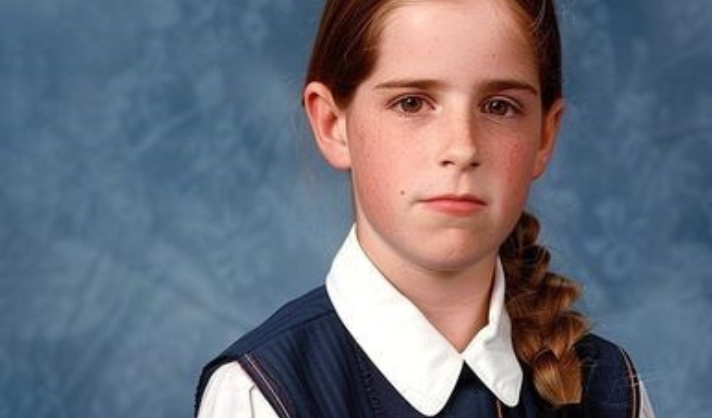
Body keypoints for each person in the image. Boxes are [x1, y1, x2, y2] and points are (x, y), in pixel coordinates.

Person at [195, 0, 656, 416]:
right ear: (333, 123)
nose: (462, 147)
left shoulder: (612, 391)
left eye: (499, 106)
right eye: (411, 103)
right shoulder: (263, 394)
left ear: (545, 135)